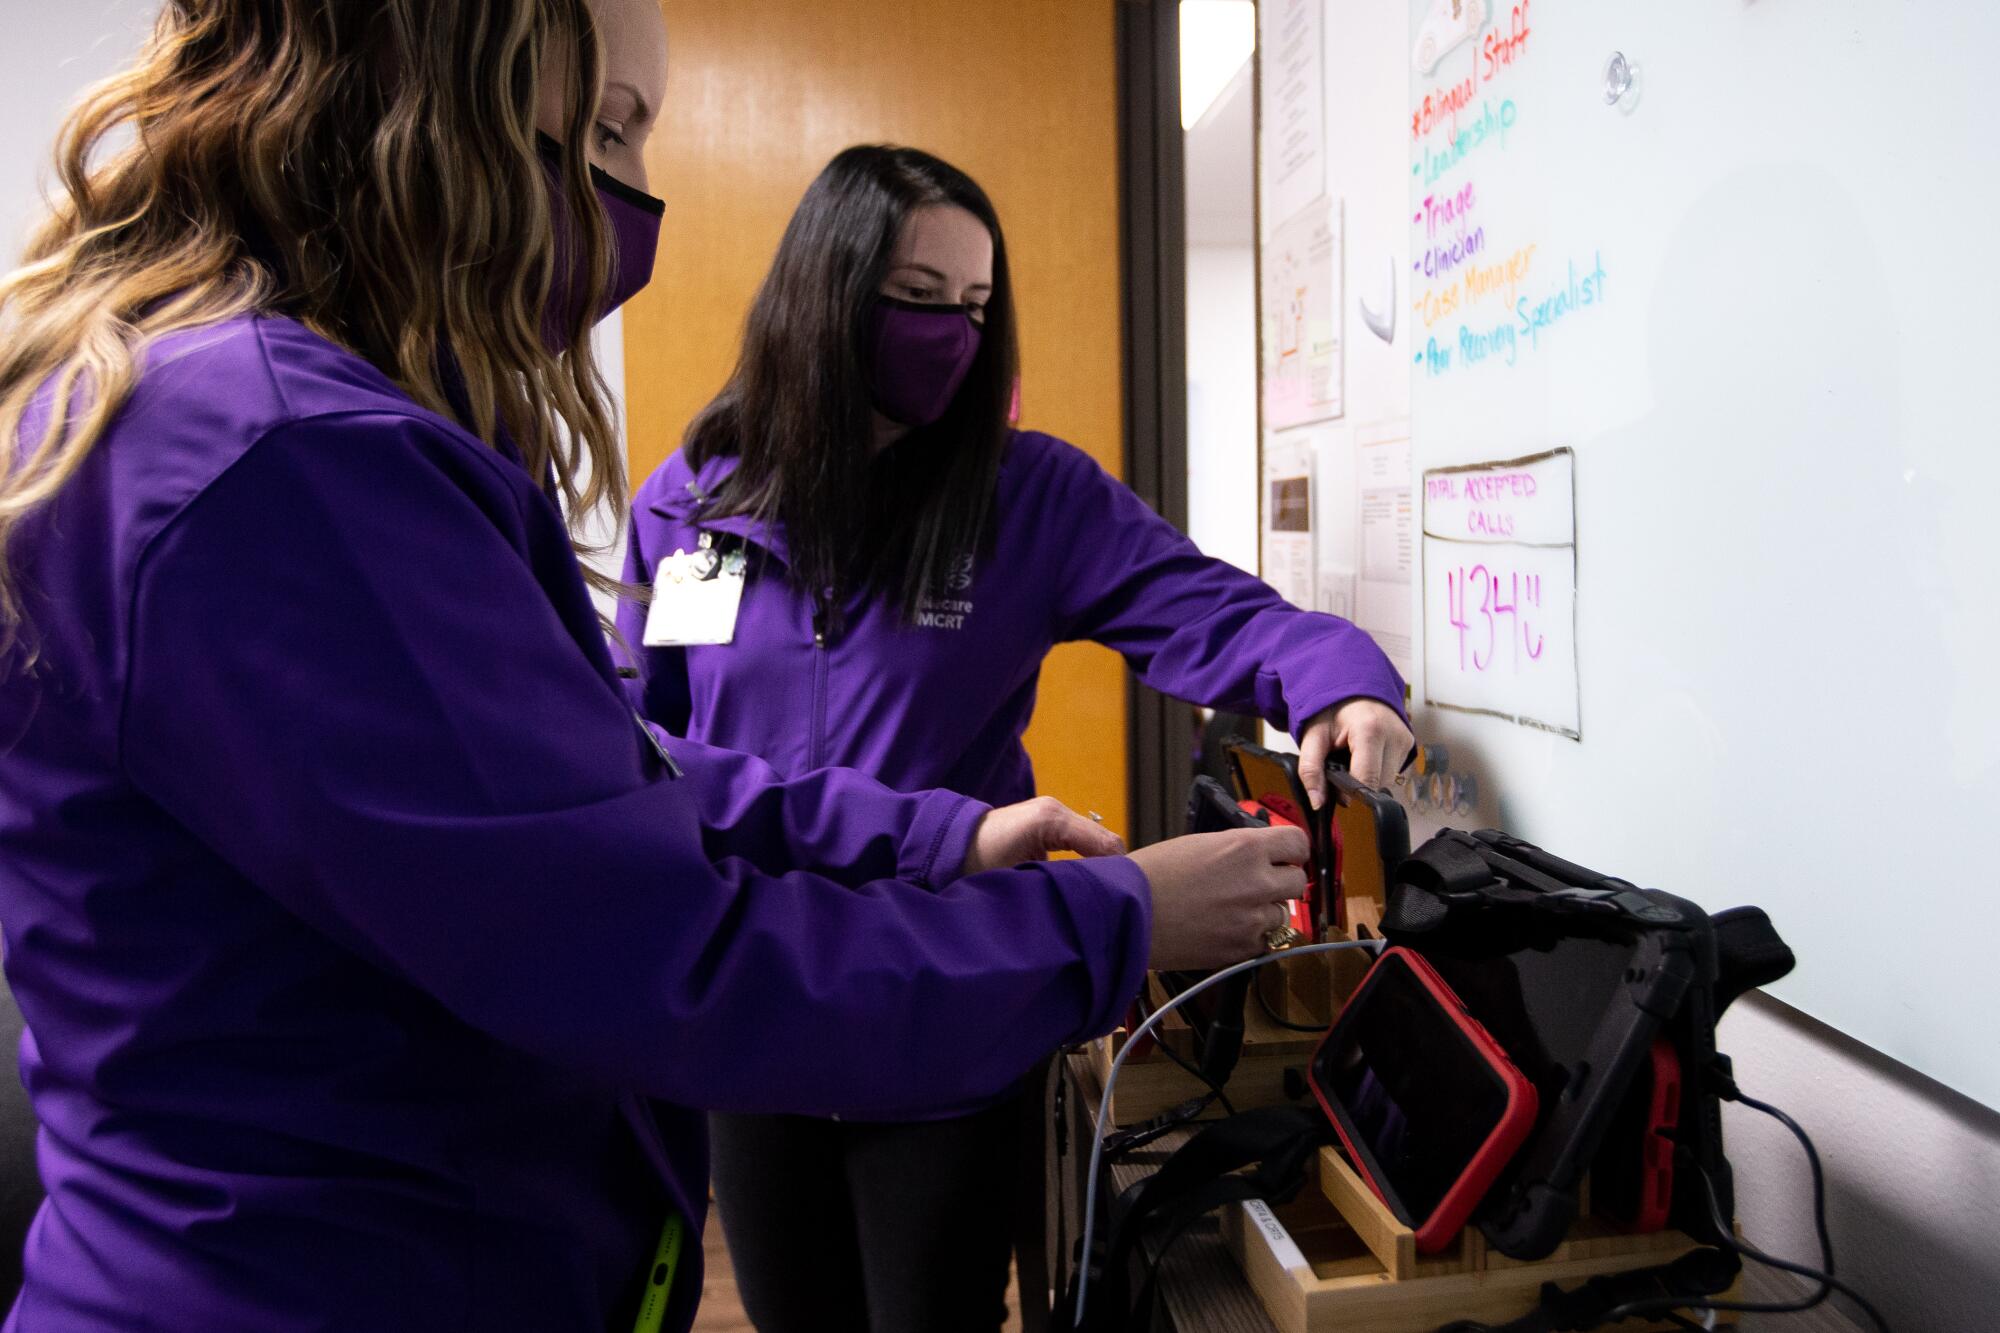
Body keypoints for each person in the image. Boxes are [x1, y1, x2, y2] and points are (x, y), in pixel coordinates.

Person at [0, 3, 1314, 1330]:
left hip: (892, 997)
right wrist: (1107, 920)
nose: (629, 193)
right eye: (609, 127)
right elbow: (635, 858)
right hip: (478, 1186)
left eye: (976, 309)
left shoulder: (1024, 493)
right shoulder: (323, 462)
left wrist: (931, 836)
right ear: (429, 94)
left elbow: (586, 780)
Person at [620, 145, 1416, 1333]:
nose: (949, 332)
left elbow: (1208, 609)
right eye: (915, 297)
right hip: (761, 997)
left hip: (954, 999)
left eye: (974, 308)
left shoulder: (1026, 496)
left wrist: (1338, 684)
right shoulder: (689, 503)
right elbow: (642, 743)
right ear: (821, 297)